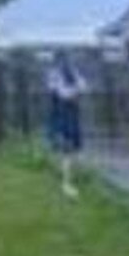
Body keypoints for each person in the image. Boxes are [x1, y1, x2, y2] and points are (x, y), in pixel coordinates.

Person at [46, 50, 87, 198]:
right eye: (62, 59)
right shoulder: (54, 75)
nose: (65, 62)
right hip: (61, 115)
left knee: (77, 147)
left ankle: (73, 177)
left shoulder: (72, 72)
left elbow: (83, 85)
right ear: (57, 60)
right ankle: (66, 183)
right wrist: (76, 90)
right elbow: (64, 94)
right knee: (66, 149)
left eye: (67, 59)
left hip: (73, 114)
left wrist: (75, 90)